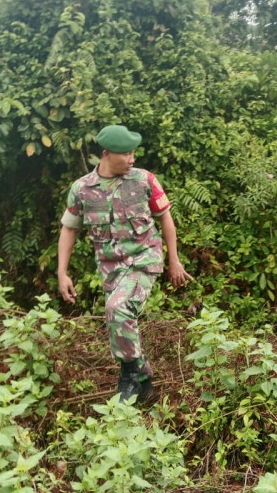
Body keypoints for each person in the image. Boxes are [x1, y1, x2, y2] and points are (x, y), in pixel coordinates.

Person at [57, 124, 192, 403]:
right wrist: (62, 272)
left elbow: (165, 218)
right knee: (120, 320)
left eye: (134, 153)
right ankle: (145, 387)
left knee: (117, 308)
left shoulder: (144, 180)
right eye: (126, 153)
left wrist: (174, 260)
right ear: (106, 154)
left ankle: (128, 377)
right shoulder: (82, 189)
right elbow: (69, 229)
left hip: (145, 258)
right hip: (110, 268)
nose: (132, 159)